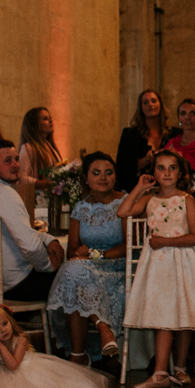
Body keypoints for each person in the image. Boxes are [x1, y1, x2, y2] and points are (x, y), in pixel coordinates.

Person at [118, 150, 195, 388]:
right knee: (164, 315)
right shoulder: (149, 200)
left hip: (182, 261)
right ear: (153, 172)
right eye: (160, 168)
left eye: (171, 168)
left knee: (184, 315)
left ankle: (179, 368)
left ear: (180, 173)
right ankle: (160, 373)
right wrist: (139, 187)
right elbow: (123, 212)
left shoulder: (187, 200)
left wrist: (166, 242)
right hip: (157, 265)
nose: (166, 173)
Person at [47, 152, 128, 364]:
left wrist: (97, 255)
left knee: (73, 273)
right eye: (96, 173)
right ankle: (102, 327)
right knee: (74, 270)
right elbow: (73, 248)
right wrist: (80, 252)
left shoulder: (126, 202)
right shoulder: (81, 208)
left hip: (118, 268)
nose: (103, 177)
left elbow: (129, 245)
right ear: (87, 178)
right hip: (89, 268)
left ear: (115, 177)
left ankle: (79, 354)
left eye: (108, 173)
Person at [0, 141, 65, 305]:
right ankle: (62, 331)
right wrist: (47, 266)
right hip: (13, 286)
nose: (16, 164)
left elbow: (11, 232)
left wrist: (47, 239)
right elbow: (30, 245)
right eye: (8, 160)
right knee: (70, 275)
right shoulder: (4, 193)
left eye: (16, 159)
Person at [0, 303, 111, 388]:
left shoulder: (20, 340)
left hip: (27, 372)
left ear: (10, 321)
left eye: (5, 323)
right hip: (6, 375)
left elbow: (13, 365)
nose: (3, 330)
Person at [116, 90, 179, 192]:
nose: (150, 104)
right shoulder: (130, 134)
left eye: (153, 101)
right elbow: (123, 168)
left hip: (170, 189)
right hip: (138, 189)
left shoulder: (174, 134)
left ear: (160, 105)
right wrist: (146, 160)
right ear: (141, 108)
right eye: (145, 102)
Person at [16, 107, 62, 222]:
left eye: (50, 118)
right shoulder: (28, 147)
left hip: (52, 198)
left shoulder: (50, 146)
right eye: (45, 119)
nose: (50, 121)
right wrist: (43, 183)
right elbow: (22, 178)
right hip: (37, 199)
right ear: (34, 124)